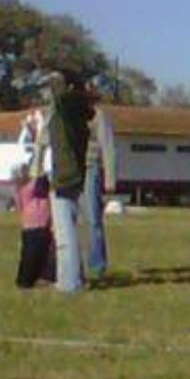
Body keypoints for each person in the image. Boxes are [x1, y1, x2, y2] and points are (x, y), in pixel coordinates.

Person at [27, 73, 93, 293]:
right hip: (73, 175)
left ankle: (69, 282)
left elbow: (60, 99)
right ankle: (73, 278)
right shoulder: (79, 114)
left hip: (63, 177)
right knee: (69, 229)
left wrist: (57, 81)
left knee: (65, 235)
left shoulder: (64, 112)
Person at [81, 95, 117, 281]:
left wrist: (109, 179)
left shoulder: (98, 116)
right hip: (70, 170)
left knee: (93, 218)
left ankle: (97, 265)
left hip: (90, 168)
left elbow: (108, 146)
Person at [13, 166, 53, 289]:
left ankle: (29, 278)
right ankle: (29, 279)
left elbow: (20, 207)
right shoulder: (30, 187)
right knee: (36, 255)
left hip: (30, 224)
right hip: (37, 224)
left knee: (33, 255)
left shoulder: (20, 189)